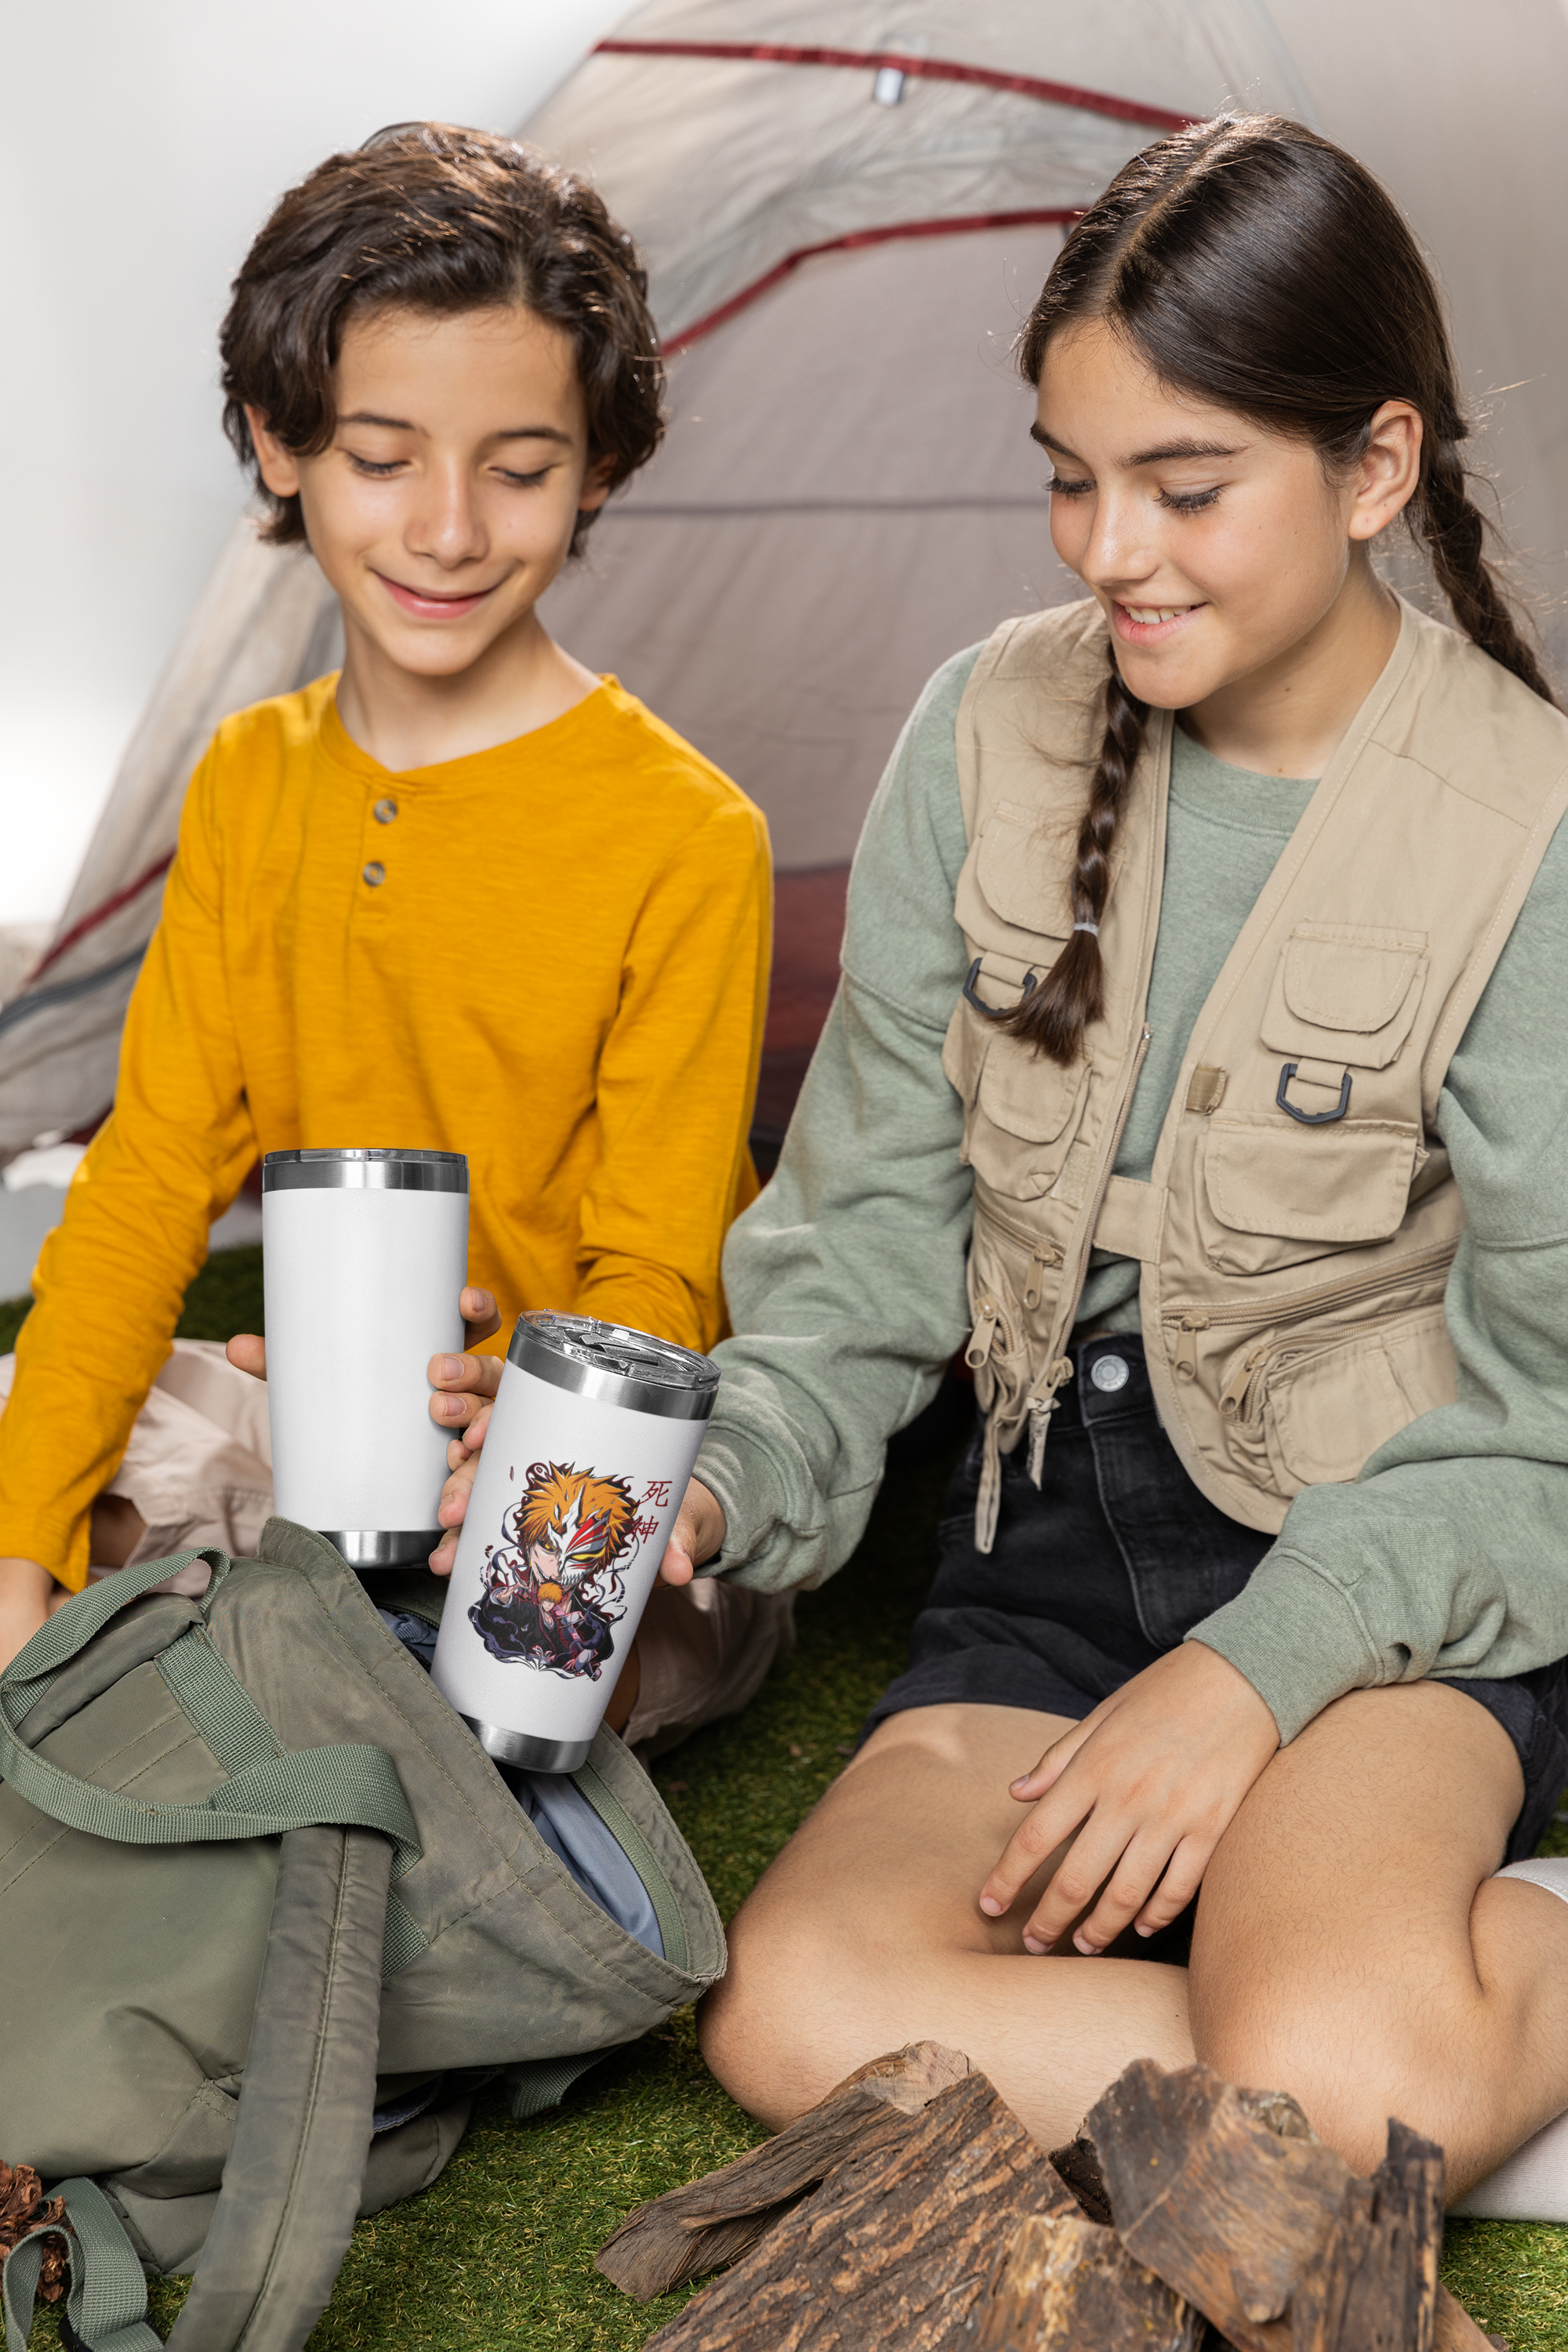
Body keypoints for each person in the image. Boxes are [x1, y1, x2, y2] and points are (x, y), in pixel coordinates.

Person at [442, 111, 1568, 2202]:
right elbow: (862, 1250)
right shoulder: (982, 732)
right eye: (1070, 477)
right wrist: (717, 1478)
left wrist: (1247, 1681)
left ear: (1376, 468)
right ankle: (1383, 2070)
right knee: (795, 2011)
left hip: (1379, 1578)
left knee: (1323, 2081)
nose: (1107, 550)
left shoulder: (1534, 824)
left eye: (1184, 487)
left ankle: (1423, 2017)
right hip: (1042, 1568)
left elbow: (1545, 1426)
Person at [0, 124, 790, 1750]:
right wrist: (16, 1556)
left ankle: (332, 1654)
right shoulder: (250, 780)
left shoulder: (688, 834)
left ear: (597, 468)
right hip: (316, 1428)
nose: (448, 529)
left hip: (581, 1461)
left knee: (514, 1661)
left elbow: (656, 1279)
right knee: (34, 1440)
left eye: (519, 469)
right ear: (278, 444)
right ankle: (264, 1617)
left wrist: (522, 1428)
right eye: (381, 456)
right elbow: (147, 1185)